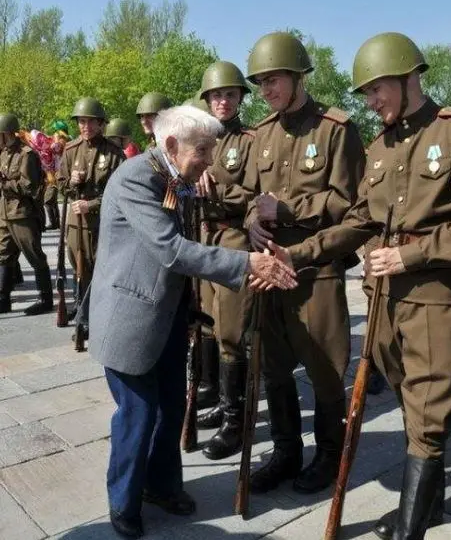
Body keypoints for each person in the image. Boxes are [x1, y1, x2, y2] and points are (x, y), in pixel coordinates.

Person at [268, 31, 451, 538]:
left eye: (377, 90)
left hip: (432, 295)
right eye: (364, 93)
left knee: (431, 408)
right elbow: (360, 220)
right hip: (383, 295)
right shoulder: (381, 146)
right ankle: (429, 504)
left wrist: (409, 255)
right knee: (411, 402)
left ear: (409, 78)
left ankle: (411, 526)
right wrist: (298, 253)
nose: (371, 102)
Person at [87, 104, 297, 539]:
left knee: (170, 407)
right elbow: (172, 250)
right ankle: (123, 501)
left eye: (212, 149)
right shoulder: (135, 179)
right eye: (202, 150)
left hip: (163, 315)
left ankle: (161, 486)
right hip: (129, 317)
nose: (209, 160)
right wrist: (246, 265)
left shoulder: (173, 179)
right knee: (138, 413)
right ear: (170, 145)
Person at [243, 31, 365, 495]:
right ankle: (285, 452)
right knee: (274, 369)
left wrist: (288, 208)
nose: (266, 90)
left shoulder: (336, 129)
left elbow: (352, 205)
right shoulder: (262, 134)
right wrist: (254, 219)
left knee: (325, 371)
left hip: (317, 273)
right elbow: (256, 196)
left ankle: (329, 457)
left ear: (297, 76)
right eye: (260, 83)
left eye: (273, 80)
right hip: (270, 269)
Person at [192, 61, 257, 461]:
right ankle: (220, 398)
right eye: (216, 95)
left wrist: (215, 190)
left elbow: (255, 192)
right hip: (204, 236)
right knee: (210, 324)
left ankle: (236, 420)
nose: (222, 101)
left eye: (230, 94)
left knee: (233, 331)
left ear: (239, 99)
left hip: (233, 238)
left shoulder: (250, 139)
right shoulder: (201, 139)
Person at [56, 97, 126, 328]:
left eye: (91, 122)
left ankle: (100, 316)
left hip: (102, 224)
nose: (85, 127)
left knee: (102, 271)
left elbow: (120, 193)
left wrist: (92, 204)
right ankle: (83, 315)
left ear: (101, 124)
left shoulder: (114, 153)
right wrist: (70, 182)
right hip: (76, 224)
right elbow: (60, 184)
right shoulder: (70, 150)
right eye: (81, 122)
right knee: (80, 271)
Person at [0, 113, 54, 315]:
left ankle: (45, 299)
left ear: (7, 134)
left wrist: (5, 183)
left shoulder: (26, 154)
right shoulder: (4, 153)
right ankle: (3, 298)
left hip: (23, 214)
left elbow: (28, 185)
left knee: (34, 255)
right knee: (3, 255)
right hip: (6, 212)